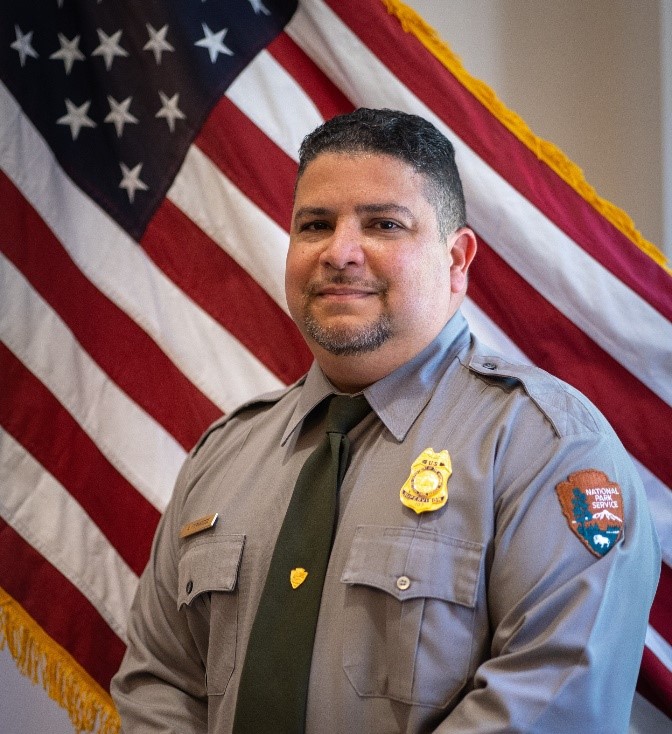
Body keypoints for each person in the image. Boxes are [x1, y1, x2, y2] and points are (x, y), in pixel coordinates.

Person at [111, 108, 660, 733]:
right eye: (315, 224)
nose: (340, 253)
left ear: (456, 260)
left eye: (384, 224)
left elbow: (554, 699)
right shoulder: (225, 454)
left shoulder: (546, 448)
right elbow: (160, 680)